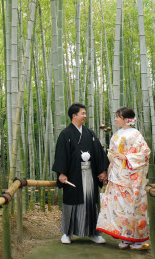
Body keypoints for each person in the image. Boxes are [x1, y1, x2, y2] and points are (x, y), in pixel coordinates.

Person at [52, 103, 109, 244]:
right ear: (74, 115)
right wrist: (61, 172)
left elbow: (99, 153)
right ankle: (67, 233)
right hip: (73, 175)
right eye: (82, 113)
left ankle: (94, 233)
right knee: (71, 203)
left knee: (90, 203)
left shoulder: (89, 133)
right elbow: (61, 155)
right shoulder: (65, 134)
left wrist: (102, 170)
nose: (85, 116)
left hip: (89, 173)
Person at [96, 107, 152, 250]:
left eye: (118, 116)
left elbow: (145, 153)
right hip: (117, 175)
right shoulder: (116, 134)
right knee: (119, 208)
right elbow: (111, 155)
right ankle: (125, 236)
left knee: (132, 207)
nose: (115, 119)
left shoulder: (135, 134)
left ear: (127, 119)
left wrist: (127, 157)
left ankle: (138, 239)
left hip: (130, 176)